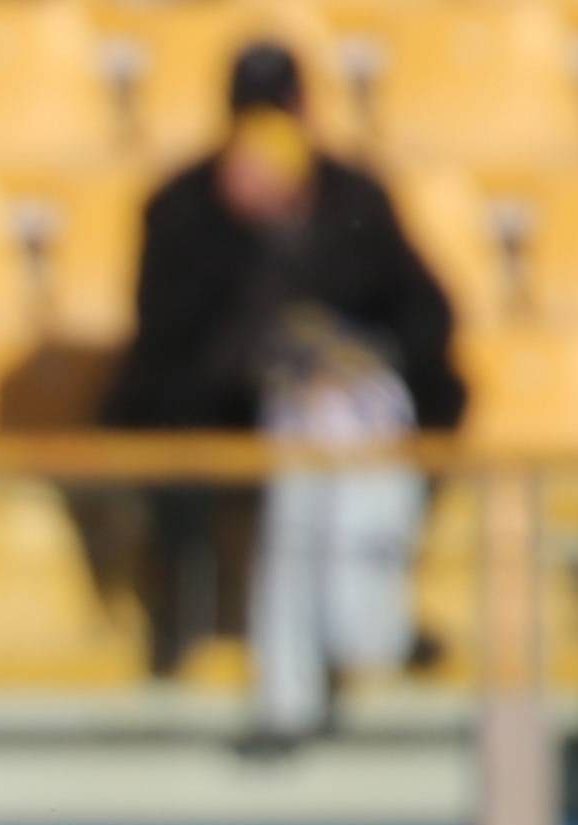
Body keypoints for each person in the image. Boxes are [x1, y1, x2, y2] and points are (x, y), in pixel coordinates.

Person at [106, 43, 463, 691]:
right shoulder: (186, 205)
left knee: (375, 418)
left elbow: (426, 319)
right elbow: (165, 345)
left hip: (348, 412)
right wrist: (248, 238)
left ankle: (366, 627)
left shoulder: (350, 195)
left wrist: (343, 350)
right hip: (227, 407)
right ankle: (195, 627)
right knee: (169, 420)